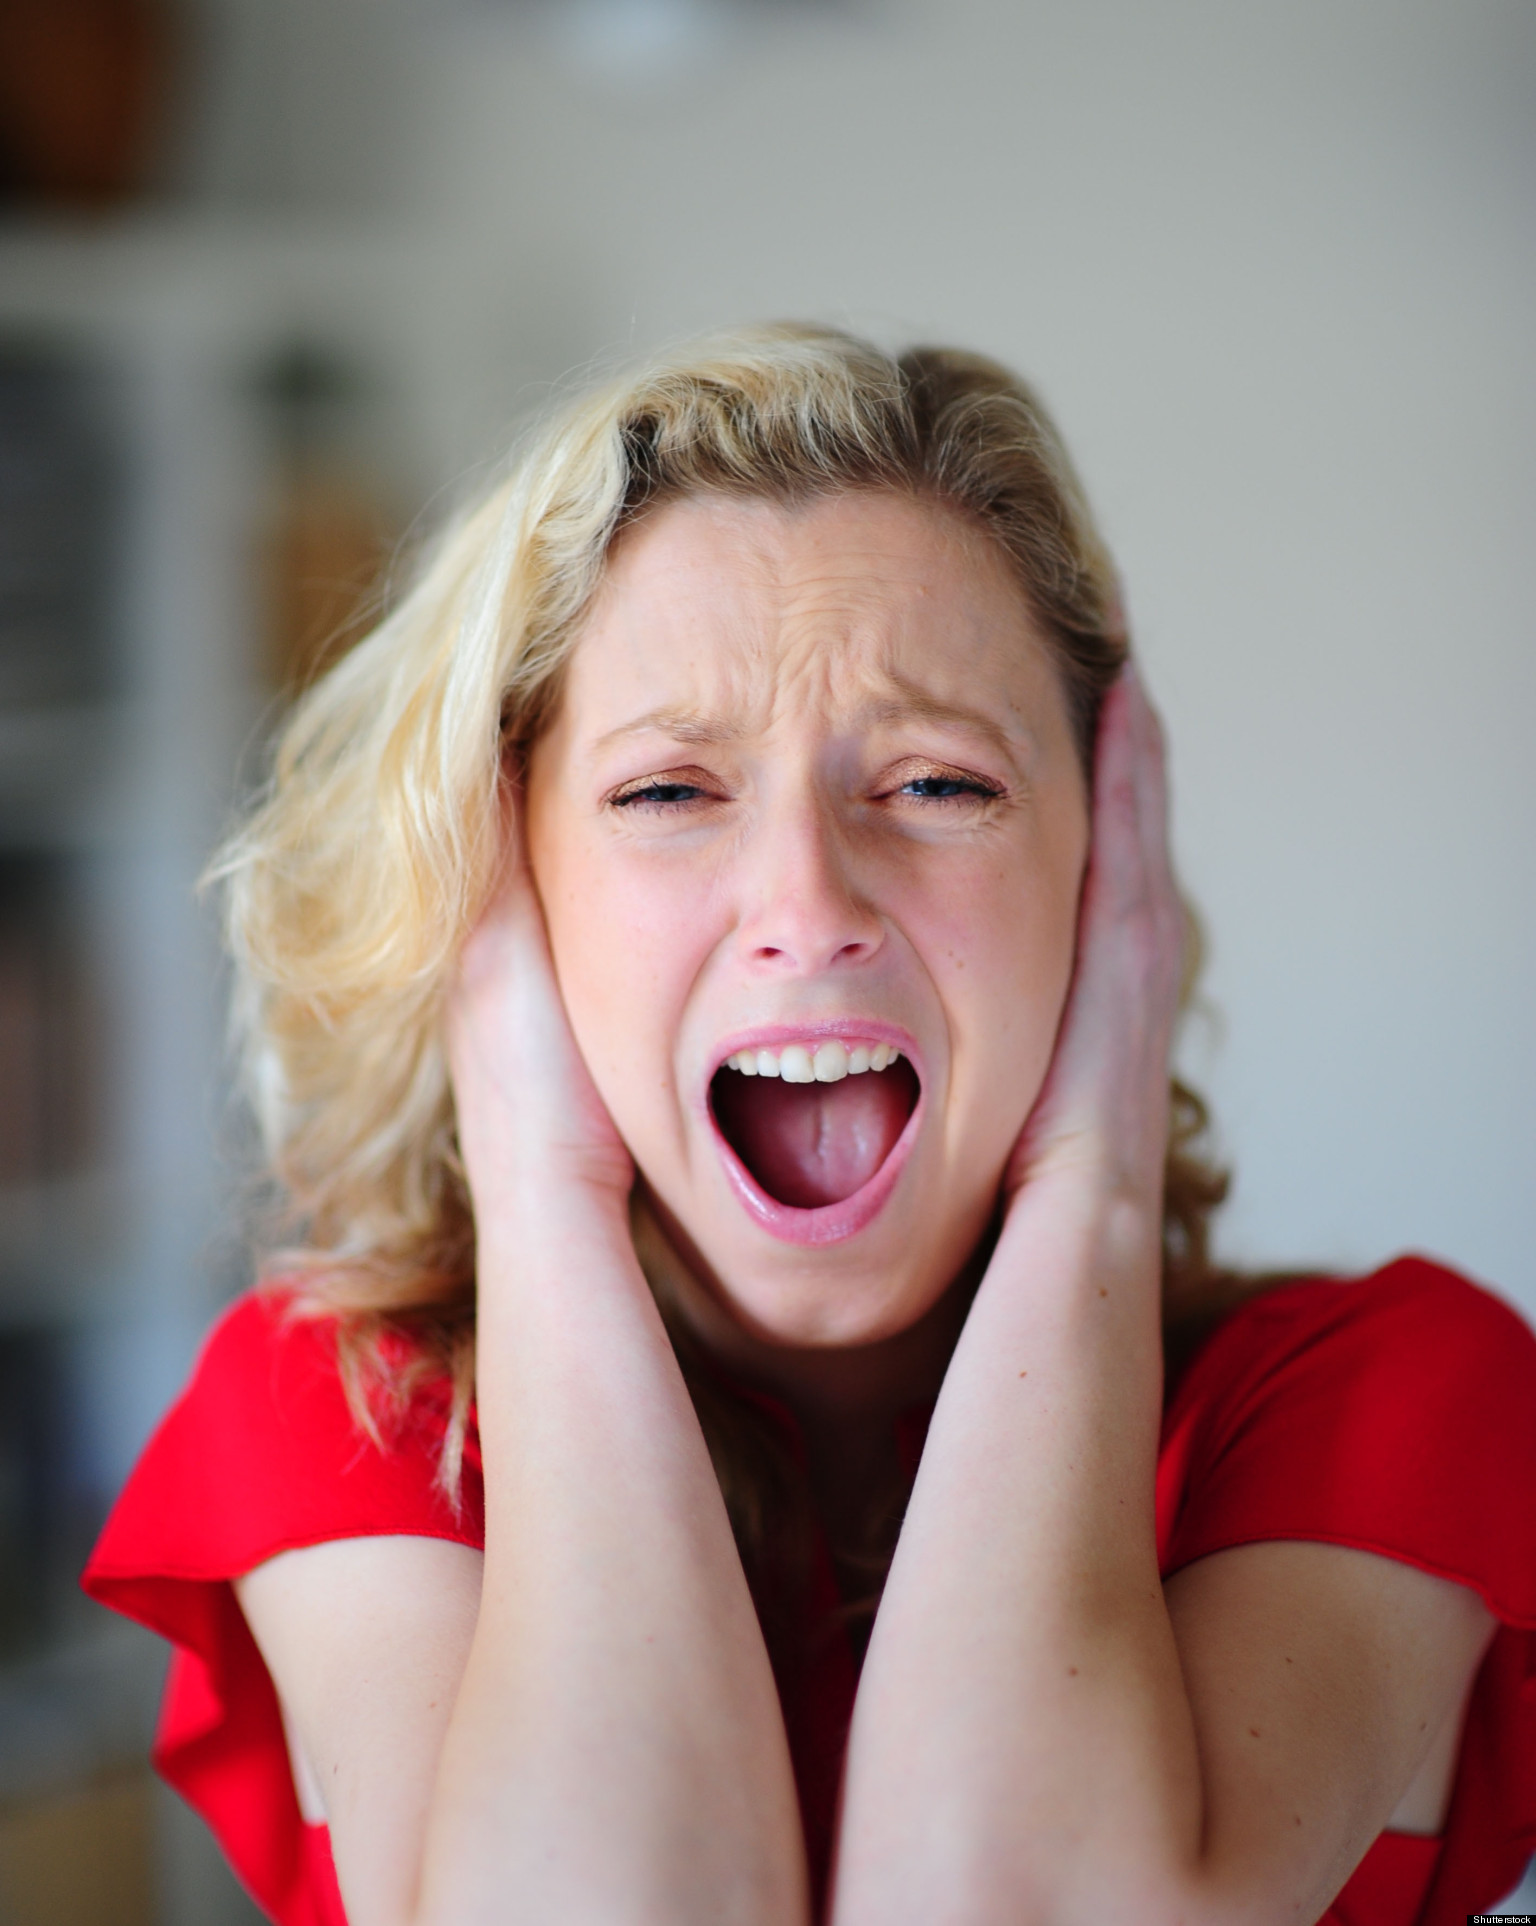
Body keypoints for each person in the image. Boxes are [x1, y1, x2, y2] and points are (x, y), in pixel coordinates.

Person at [85, 326, 1536, 1926]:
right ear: (507, 888)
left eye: (938, 784)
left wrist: (1092, 1179)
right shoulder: (351, 1414)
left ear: (1101, 867)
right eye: (666, 792)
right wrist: (543, 1189)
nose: (809, 902)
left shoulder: (1395, 1392)